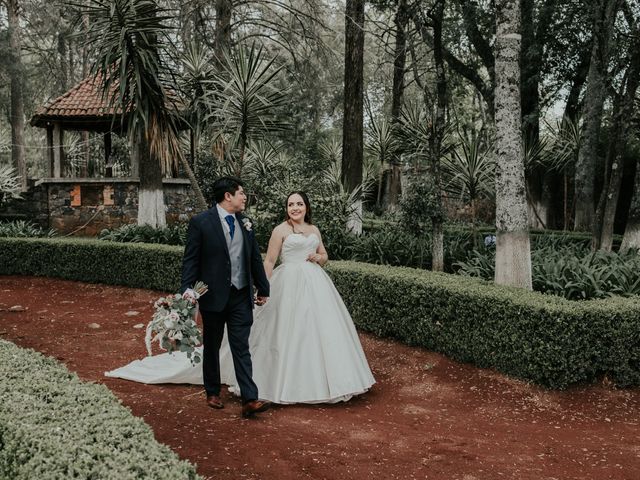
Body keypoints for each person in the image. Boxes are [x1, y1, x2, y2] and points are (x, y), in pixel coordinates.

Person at [106, 191, 375, 405]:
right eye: (291, 204)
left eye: (299, 204)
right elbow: (267, 261)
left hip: (315, 285)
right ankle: (239, 389)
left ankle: (264, 394)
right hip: (285, 283)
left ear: (306, 207)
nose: (295, 208)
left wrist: (319, 258)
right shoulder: (279, 230)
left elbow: (324, 255)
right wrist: (264, 287)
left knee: (317, 332)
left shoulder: (312, 229)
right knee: (271, 333)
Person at [182, 176, 270, 418]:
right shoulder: (201, 222)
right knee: (212, 344)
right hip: (212, 296)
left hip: (241, 295)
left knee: (241, 345)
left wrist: (263, 288)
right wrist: (188, 289)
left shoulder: (247, 223)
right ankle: (212, 391)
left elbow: (253, 258)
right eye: (241, 193)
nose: (244, 197)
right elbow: (191, 259)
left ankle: (249, 398)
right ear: (228, 196)